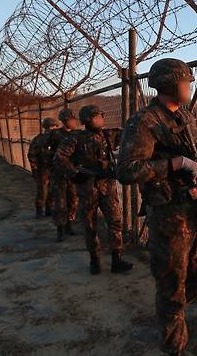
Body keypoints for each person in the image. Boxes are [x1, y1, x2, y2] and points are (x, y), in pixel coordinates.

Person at [116, 58, 197, 356]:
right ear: (172, 83)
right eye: (185, 81)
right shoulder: (145, 121)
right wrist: (172, 164)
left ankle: (173, 316)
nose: (188, 85)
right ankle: (174, 345)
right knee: (171, 283)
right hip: (170, 216)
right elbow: (127, 170)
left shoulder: (183, 117)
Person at [54, 104, 133, 274]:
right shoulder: (75, 138)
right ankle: (94, 260)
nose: (101, 119)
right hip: (87, 188)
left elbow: (130, 132)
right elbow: (59, 158)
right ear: (89, 119)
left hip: (107, 187)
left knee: (116, 222)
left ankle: (116, 259)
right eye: (98, 116)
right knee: (90, 225)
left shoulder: (108, 135)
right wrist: (75, 174)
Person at [48, 108, 81, 241]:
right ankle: (60, 228)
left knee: (73, 200)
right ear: (65, 121)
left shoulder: (78, 135)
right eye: (72, 119)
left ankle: (69, 224)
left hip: (73, 174)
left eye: (75, 119)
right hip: (59, 174)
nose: (74, 122)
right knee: (60, 202)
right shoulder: (54, 135)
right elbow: (44, 149)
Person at [27, 118, 57, 218]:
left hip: (50, 169)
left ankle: (48, 210)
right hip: (44, 169)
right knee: (43, 192)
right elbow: (32, 155)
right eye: (53, 127)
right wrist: (35, 168)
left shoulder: (54, 138)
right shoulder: (39, 139)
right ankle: (41, 210)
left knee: (49, 191)